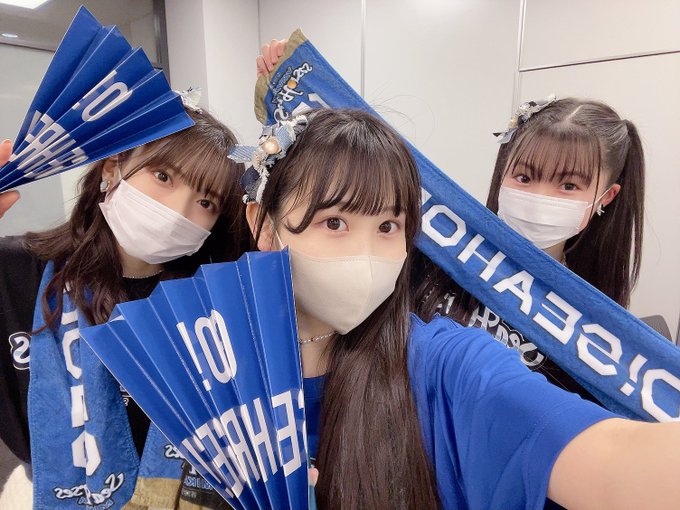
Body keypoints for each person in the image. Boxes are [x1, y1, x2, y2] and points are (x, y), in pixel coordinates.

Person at [179, 107, 679, 510]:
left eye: (388, 227)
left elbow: (614, 460)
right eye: (334, 223)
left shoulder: (444, 365)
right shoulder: (200, 360)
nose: (366, 255)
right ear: (264, 226)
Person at [0, 107, 250, 508]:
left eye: (205, 202)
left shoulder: (212, 303)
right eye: (163, 177)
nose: (177, 211)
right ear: (113, 168)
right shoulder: (16, 269)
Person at [413, 96, 646, 403]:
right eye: (524, 177)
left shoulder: (592, 327)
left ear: (606, 197)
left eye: (569, 186)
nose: (539, 197)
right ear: (502, 174)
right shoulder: (442, 253)